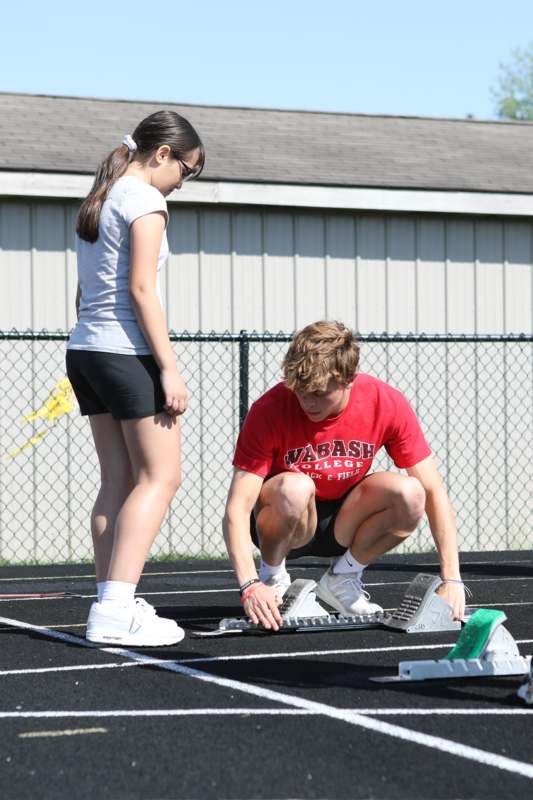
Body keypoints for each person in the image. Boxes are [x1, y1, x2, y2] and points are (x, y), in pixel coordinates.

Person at [223, 320, 466, 631]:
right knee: (294, 487)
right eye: (300, 390)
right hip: (287, 522)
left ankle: (342, 579)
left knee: (411, 493)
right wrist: (250, 585)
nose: (306, 401)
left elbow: (433, 491)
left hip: (346, 523)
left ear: (348, 379)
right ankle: (275, 579)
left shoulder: (385, 402)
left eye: (318, 393)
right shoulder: (269, 409)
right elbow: (237, 508)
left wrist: (452, 579)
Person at [66, 110, 204, 645]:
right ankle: (116, 609)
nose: (182, 184)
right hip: (125, 353)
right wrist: (168, 368)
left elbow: (83, 294)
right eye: (186, 171)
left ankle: (111, 600)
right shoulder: (146, 200)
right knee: (161, 478)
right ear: (162, 154)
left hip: (87, 350)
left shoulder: (101, 197)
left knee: (118, 481)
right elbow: (142, 290)